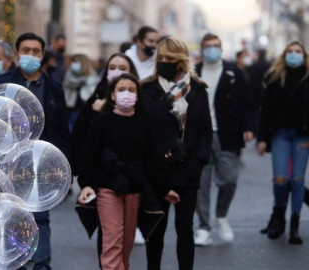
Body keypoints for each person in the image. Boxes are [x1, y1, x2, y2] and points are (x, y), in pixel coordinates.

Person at [0, 32, 70, 270]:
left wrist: (63, 168)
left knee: (40, 216)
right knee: (10, 214)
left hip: (40, 162)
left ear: (43, 55)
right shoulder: (1, 84)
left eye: (36, 51)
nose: (31, 55)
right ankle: (16, 261)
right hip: (7, 161)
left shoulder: (53, 88)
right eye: (26, 50)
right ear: (17, 54)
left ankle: (41, 264)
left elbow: (61, 130)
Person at [77, 73, 167, 270]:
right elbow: (88, 156)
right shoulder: (103, 121)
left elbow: (153, 160)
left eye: (131, 90)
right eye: (121, 89)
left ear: (137, 95)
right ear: (112, 94)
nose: (126, 94)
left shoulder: (145, 123)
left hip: (134, 188)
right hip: (107, 187)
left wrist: (165, 188)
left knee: (127, 242)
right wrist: (86, 185)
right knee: (112, 239)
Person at [140, 37, 212, 270]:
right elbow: (143, 137)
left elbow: (205, 133)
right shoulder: (146, 89)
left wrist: (196, 165)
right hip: (156, 172)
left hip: (188, 171)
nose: (164, 62)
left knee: (185, 228)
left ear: (180, 61)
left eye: (169, 58)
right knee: (156, 230)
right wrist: (156, 172)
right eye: (160, 58)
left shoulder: (198, 90)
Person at [71, 53, 140, 267]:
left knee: (125, 241)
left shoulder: (141, 108)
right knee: (110, 237)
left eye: (123, 67)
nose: (117, 71)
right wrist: (84, 181)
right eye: (113, 67)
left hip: (133, 181)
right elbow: (82, 140)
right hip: (103, 180)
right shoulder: (95, 102)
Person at [193, 33, 256, 246]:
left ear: (221, 49)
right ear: (202, 50)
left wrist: (249, 127)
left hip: (227, 133)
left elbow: (248, 103)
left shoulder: (234, 72)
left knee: (228, 179)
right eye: (208, 46)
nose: (212, 49)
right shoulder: (193, 73)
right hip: (200, 135)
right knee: (200, 184)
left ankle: (221, 215)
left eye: (216, 46)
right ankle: (203, 227)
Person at [257, 41, 309, 245]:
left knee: (297, 180)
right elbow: (265, 110)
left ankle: (294, 226)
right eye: (290, 52)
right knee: (280, 179)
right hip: (280, 134)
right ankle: (279, 215)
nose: (294, 55)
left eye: (298, 52)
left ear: (304, 56)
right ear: (284, 55)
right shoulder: (274, 77)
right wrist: (262, 138)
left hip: (302, 136)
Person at [63, 53, 99, 131]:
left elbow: (93, 94)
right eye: (73, 62)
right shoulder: (69, 75)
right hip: (70, 108)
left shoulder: (92, 77)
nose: (73, 65)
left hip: (84, 109)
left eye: (76, 62)